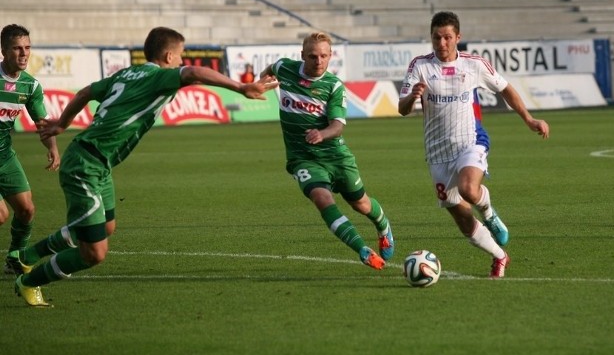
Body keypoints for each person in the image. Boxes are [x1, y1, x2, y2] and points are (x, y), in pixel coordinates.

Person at [10, 27, 277, 307]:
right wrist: (241, 87)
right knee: (95, 253)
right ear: (169, 55)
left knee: (106, 226)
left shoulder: (127, 73)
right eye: (180, 56)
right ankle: (29, 282)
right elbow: (193, 73)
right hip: (85, 166)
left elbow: (86, 92)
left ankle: (27, 256)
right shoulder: (159, 77)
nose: (180, 62)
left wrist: (63, 123)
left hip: (96, 162)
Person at [398, 11, 550, 278]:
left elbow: (505, 88)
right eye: (436, 37)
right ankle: (500, 256)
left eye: (447, 37)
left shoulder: (474, 64)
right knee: (463, 219)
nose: (442, 43)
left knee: (470, 190)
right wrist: (413, 97)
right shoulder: (419, 66)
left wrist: (528, 119)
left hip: (471, 139)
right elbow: (402, 109)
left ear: (458, 37)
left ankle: (490, 213)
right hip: (437, 153)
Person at [259, 32, 393, 271]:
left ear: (331, 56)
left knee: (360, 204)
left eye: (323, 56)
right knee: (322, 198)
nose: (318, 61)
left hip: (335, 156)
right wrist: (263, 82)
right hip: (302, 158)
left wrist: (322, 134)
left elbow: (338, 125)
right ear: (302, 56)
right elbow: (269, 69)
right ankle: (362, 249)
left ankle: (383, 226)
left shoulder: (333, 86)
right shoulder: (285, 67)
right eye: (312, 56)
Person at [0, 25, 61, 275]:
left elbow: (42, 124)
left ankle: (14, 257)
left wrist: (53, 148)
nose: (24, 53)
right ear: (3, 51)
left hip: (4, 155)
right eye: (17, 48)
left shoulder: (30, 86)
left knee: (26, 209)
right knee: (1, 214)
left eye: (27, 47)